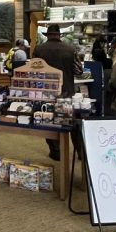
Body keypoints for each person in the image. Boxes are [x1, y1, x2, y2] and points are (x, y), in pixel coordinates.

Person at [33, 23, 81, 161]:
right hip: (67, 91)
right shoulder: (70, 49)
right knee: (73, 122)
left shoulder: (39, 49)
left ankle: (56, 152)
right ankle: (80, 152)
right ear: (59, 35)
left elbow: (33, 71)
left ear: (47, 35)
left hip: (46, 92)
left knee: (49, 120)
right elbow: (79, 71)